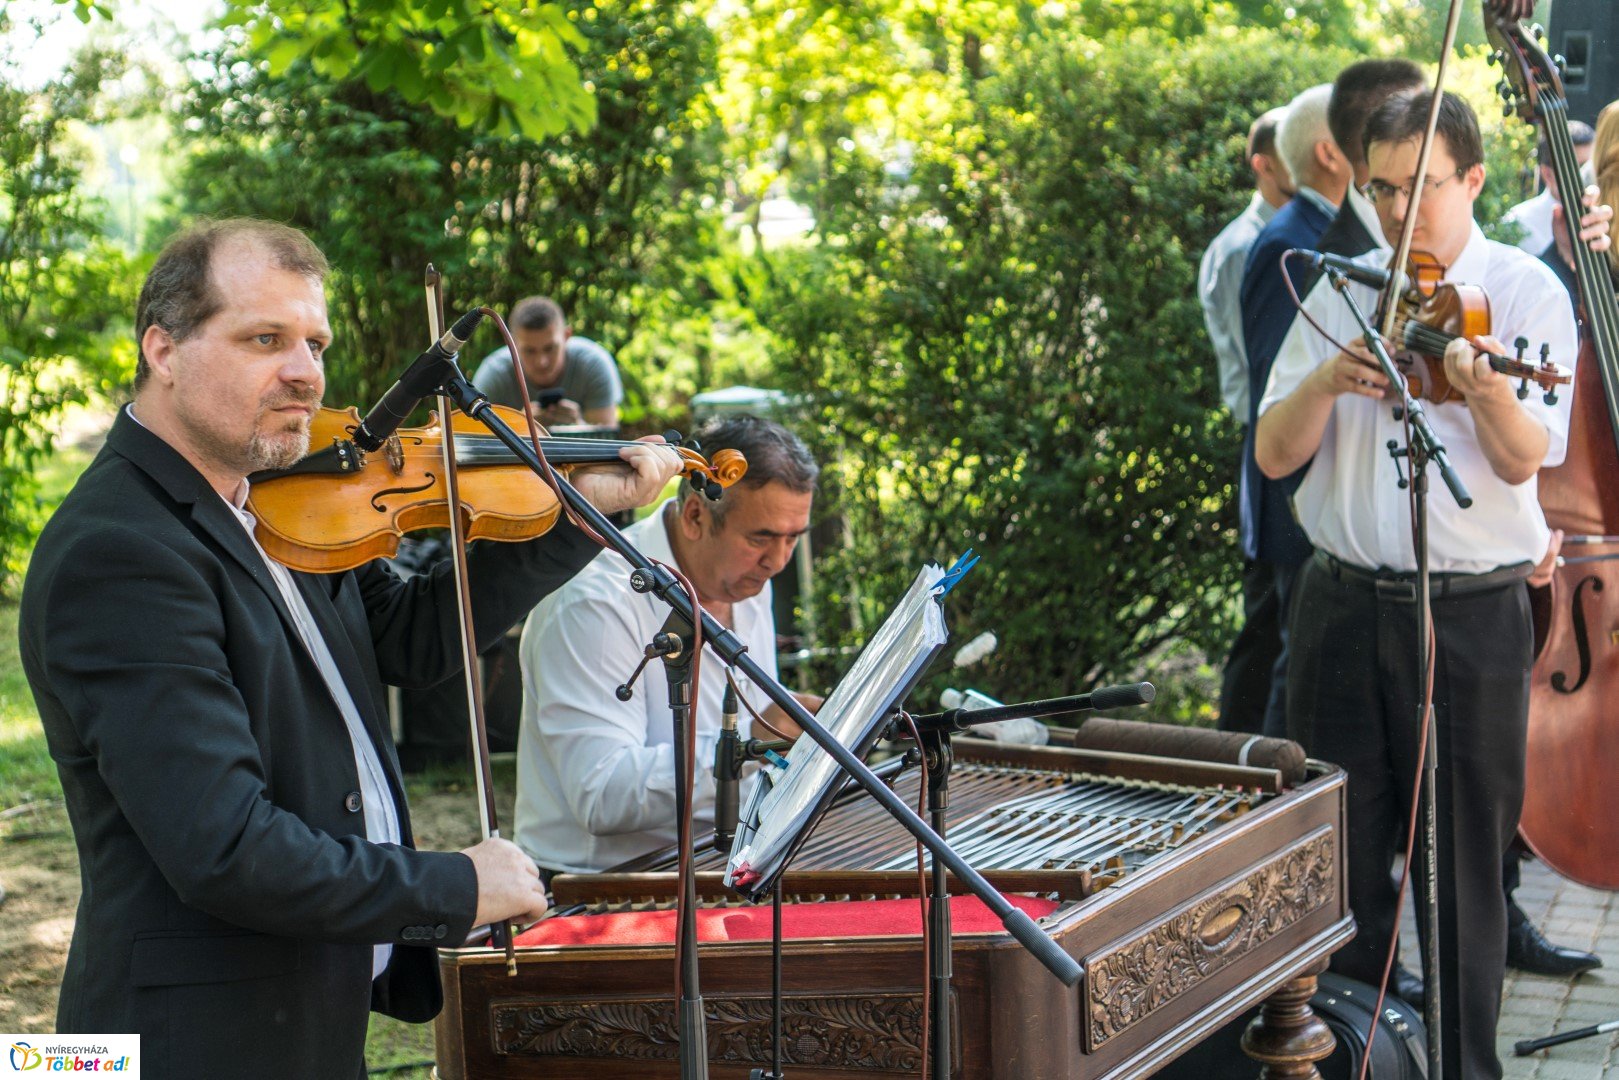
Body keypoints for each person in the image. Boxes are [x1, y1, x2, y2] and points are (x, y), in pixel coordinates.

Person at [17, 219, 684, 1079]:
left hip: (306, 1010)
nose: (305, 371)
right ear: (163, 349)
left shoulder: (284, 496)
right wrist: (453, 887)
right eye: (265, 339)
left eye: (314, 343)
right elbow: (225, 846)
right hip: (193, 1040)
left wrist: (574, 516)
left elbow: (408, 639)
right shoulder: (120, 553)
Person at [1254, 91, 1582, 1079]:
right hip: (1341, 607)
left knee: (1461, 870)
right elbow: (1272, 456)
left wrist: (1483, 390)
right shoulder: (1339, 290)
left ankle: (1463, 1067)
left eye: (1420, 187)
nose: (1398, 213)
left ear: (1471, 180)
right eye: (1380, 188)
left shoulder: (1521, 291)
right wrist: (1320, 382)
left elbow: (1528, 459)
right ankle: (1349, 1060)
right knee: (1335, 859)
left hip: (1471, 613)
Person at [513, 415, 822, 875]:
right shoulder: (593, 601)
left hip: (715, 859)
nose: (777, 562)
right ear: (697, 515)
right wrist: (746, 748)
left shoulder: (746, 577)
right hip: (598, 888)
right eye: (761, 538)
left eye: (792, 539)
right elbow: (601, 797)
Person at [1234, 84, 1352, 738]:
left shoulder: (1316, 233)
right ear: (1329, 152)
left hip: (1311, 488)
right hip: (1295, 489)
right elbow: (1278, 387)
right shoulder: (1294, 245)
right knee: (1296, 672)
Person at [1205, 106, 1291, 733]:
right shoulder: (1243, 247)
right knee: (1265, 607)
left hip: (1278, 429)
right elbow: (1256, 362)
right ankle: (1236, 750)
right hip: (1263, 432)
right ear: (1263, 164)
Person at [470, 295, 623, 428]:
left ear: (567, 336)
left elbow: (607, 435)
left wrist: (579, 426)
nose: (541, 362)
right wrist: (520, 426)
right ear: (511, 343)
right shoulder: (494, 374)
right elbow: (473, 442)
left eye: (550, 348)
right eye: (530, 351)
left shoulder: (594, 364)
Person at [1502, 121, 1596, 254]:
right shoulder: (1518, 223)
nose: (1587, 175)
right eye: (1578, 169)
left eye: (1591, 167)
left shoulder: (1605, 212)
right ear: (1547, 174)